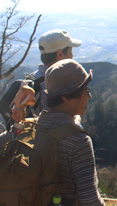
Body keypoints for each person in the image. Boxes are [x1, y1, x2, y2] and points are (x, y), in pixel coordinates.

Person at [0, 29, 82, 154]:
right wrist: (76, 119)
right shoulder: (52, 88)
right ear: (60, 54)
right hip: (46, 158)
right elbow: (62, 128)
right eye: (70, 51)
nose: (72, 56)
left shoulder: (30, 80)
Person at [38, 59, 105, 206]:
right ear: (66, 98)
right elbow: (90, 201)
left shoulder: (31, 127)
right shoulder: (78, 141)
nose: (89, 96)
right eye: (86, 91)